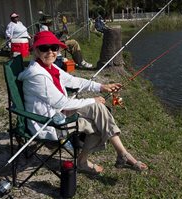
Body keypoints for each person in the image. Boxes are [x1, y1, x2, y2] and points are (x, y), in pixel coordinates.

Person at [18, 31, 148, 174]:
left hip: (57, 114)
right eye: (44, 48)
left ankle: (122, 154)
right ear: (36, 50)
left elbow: (73, 81)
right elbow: (62, 103)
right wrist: (93, 99)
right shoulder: (37, 75)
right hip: (49, 123)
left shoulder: (49, 67)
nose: (50, 52)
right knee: (97, 124)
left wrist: (100, 87)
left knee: (99, 110)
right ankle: (85, 161)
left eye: (54, 48)